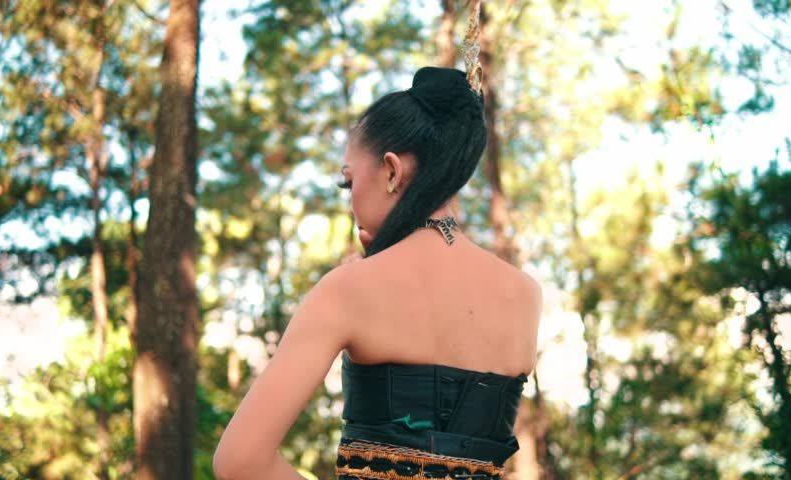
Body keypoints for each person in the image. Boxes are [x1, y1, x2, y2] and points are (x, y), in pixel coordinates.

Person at [212, 66, 543, 480]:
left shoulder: (350, 289)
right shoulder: (525, 295)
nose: (350, 202)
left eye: (347, 183)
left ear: (391, 170)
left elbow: (240, 461)